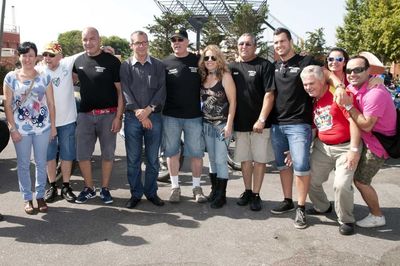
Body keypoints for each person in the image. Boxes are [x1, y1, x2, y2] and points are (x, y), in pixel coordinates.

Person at [269, 28, 343, 229]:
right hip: (277, 124)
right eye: (275, 42)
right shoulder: (274, 66)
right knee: (283, 166)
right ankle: (287, 200)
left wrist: (340, 86)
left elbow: (326, 74)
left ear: (290, 41)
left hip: (299, 124)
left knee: (301, 167)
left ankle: (301, 208)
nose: (279, 45)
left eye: (282, 41)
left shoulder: (305, 61)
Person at [300, 65, 361, 235]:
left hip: (346, 146)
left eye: (311, 83)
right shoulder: (313, 99)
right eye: (305, 85)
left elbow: (354, 122)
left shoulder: (338, 95)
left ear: (322, 81)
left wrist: (354, 150)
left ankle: (346, 219)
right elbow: (315, 127)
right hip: (323, 146)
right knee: (309, 178)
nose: (308, 88)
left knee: (341, 184)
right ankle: (322, 207)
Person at [341, 56, 396, 228]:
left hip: (379, 144)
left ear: (368, 72)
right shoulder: (356, 85)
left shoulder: (375, 94)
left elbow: (366, 125)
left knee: (361, 181)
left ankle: (377, 215)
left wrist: (349, 107)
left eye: (358, 70)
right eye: (349, 70)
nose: (352, 74)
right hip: (367, 140)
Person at [3, 41, 56, 214]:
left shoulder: (44, 76)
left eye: (31, 55)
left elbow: (50, 103)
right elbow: (8, 105)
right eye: (24, 55)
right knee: (24, 164)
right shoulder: (10, 77)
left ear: (36, 57)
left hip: (42, 128)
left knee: (41, 163)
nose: (28, 59)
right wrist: (12, 129)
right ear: (19, 57)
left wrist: (53, 126)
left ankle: (40, 196)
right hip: (21, 130)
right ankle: (27, 198)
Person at [72, 27, 123, 204]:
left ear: (99, 39)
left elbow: (120, 92)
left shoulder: (112, 61)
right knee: (82, 155)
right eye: (85, 39)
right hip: (85, 116)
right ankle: (89, 188)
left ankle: (105, 189)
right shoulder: (77, 61)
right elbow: (66, 80)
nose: (88, 42)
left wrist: (118, 117)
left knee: (107, 155)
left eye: (92, 38)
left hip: (108, 115)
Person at [229, 33, 275, 211]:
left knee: (260, 160)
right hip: (240, 124)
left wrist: (262, 119)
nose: (244, 47)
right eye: (241, 43)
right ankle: (247, 190)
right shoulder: (231, 66)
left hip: (260, 125)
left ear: (255, 47)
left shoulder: (264, 65)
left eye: (248, 44)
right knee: (245, 160)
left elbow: (270, 94)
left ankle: (256, 194)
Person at [120, 31, 166, 208]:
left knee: (153, 160)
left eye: (144, 42)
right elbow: (125, 91)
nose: (141, 46)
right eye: (137, 43)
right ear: (131, 45)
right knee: (133, 160)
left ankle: (151, 192)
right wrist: (140, 113)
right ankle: (136, 194)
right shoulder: (125, 66)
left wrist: (148, 110)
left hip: (154, 117)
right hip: (133, 118)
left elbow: (162, 91)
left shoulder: (158, 65)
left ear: (148, 44)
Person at [162, 28, 206, 203]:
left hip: (194, 116)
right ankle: (175, 187)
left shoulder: (199, 60)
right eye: (173, 40)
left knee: (196, 154)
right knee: (172, 152)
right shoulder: (164, 63)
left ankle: (197, 188)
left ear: (187, 42)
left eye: (180, 39)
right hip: (171, 116)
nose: (176, 42)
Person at [37, 42, 78, 203]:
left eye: (51, 55)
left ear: (60, 56)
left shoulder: (67, 63)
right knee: (49, 156)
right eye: (45, 54)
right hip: (47, 123)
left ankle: (66, 186)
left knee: (68, 155)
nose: (47, 58)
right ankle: (52, 186)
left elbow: (88, 50)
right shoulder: (39, 70)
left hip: (67, 121)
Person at [198, 44, 236, 208]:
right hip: (207, 124)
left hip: (221, 124)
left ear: (219, 59)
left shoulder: (225, 76)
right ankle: (214, 191)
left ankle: (222, 195)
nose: (210, 60)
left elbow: (233, 102)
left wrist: (229, 125)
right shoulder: (203, 77)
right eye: (206, 57)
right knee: (212, 160)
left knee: (221, 160)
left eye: (213, 57)